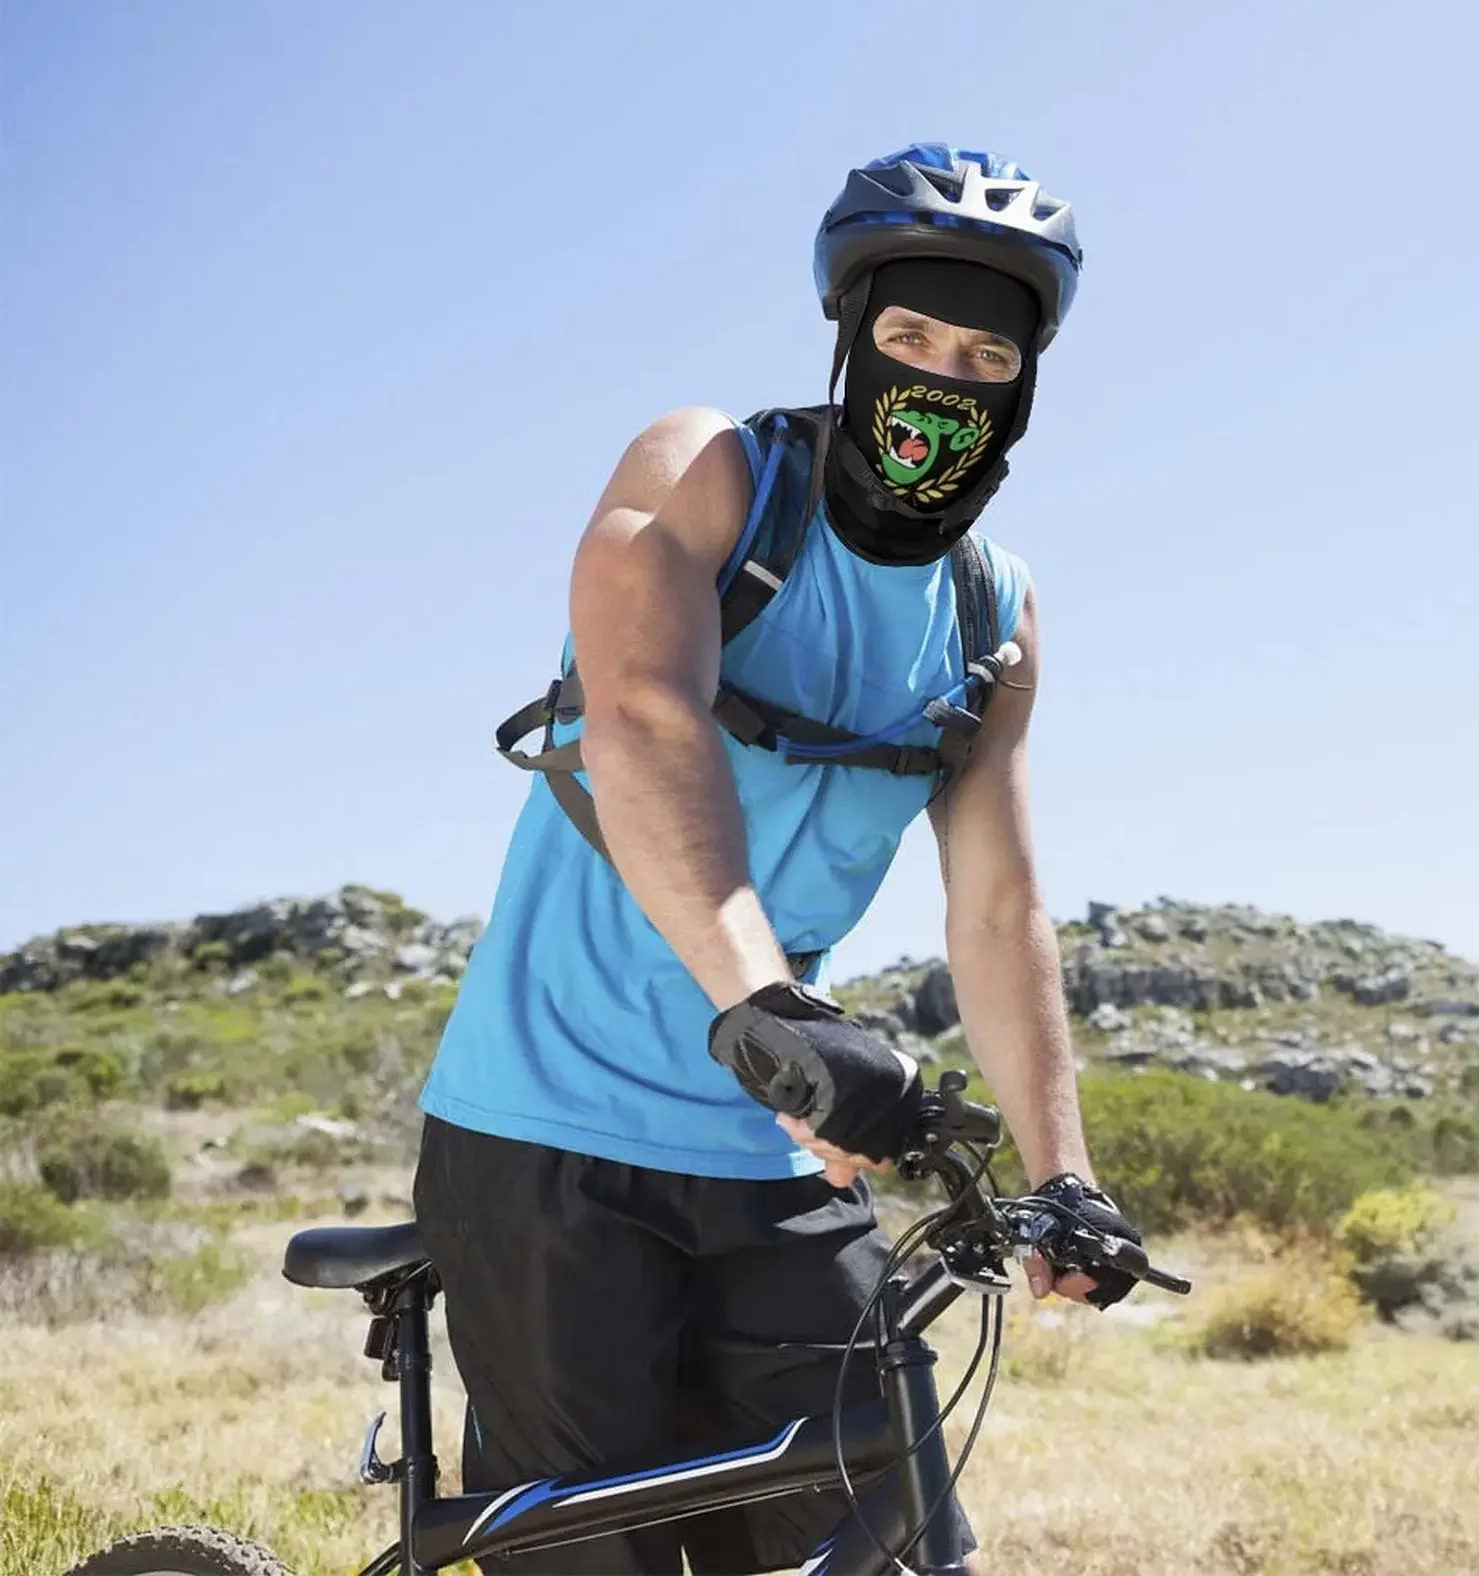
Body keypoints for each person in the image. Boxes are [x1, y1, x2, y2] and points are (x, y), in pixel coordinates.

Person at [412, 143, 1144, 1576]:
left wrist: (1069, 1173)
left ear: (1023, 385)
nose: (942, 374)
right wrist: (774, 1003)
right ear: (850, 334)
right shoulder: (708, 475)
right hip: (551, 1137)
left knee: (889, 1542)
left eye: (983, 352)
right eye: (909, 336)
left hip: (778, 1149)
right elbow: (638, 716)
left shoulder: (993, 611)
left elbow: (998, 905)